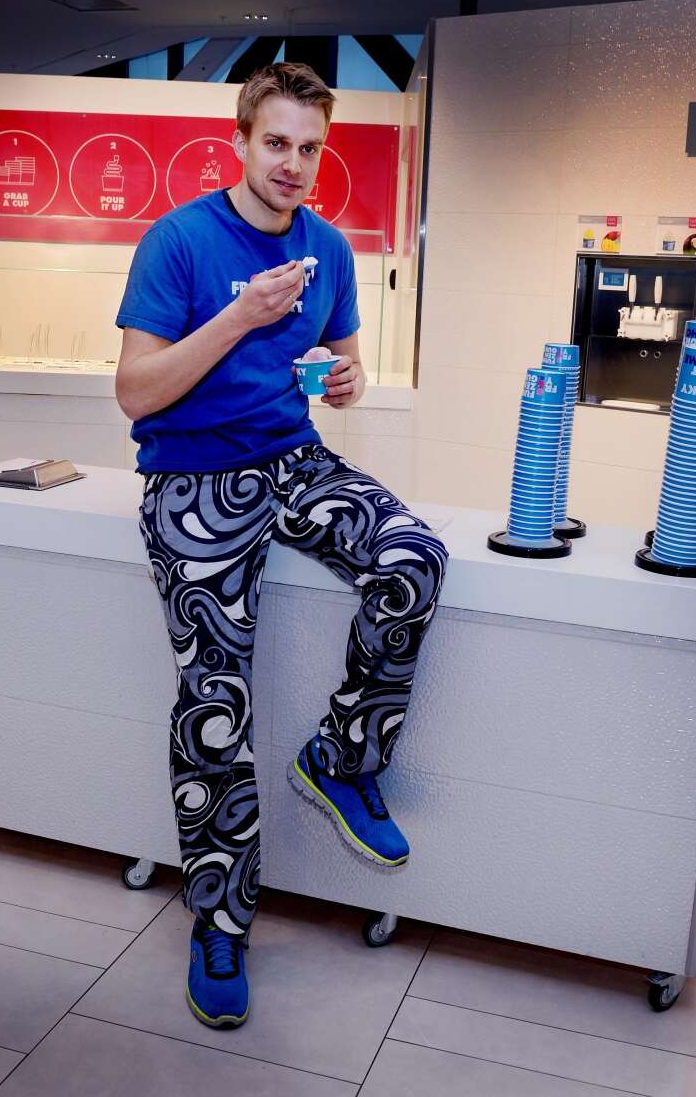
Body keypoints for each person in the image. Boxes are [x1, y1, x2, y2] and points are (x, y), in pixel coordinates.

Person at [114, 63, 448, 1031]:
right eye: (276, 144)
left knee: (413, 558)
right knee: (217, 701)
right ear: (240, 141)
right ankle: (219, 923)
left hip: (294, 459)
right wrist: (240, 316)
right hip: (193, 477)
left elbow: (346, 362)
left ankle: (342, 757)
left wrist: (348, 381)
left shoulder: (329, 247)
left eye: (309, 148)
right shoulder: (178, 241)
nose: (293, 164)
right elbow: (135, 392)